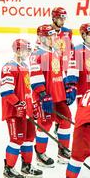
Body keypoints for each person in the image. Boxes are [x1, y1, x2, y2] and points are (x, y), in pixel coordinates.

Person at [0, 39, 43, 178]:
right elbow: (6, 92)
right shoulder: (9, 67)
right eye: (25, 50)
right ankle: (9, 169)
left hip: (26, 110)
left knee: (29, 138)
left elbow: (27, 90)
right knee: (16, 140)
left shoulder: (24, 66)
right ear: (18, 50)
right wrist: (18, 104)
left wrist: (33, 105)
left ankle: (26, 166)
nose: (27, 53)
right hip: (14, 111)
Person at [30, 24, 73, 167]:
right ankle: (40, 154)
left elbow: (61, 72)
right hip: (45, 97)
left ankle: (63, 150)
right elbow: (35, 77)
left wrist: (67, 86)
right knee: (45, 124)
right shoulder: (36, 55)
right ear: (41, 38)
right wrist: (42, 94)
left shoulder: (55, 51)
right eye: (48, 36)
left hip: (59, 95)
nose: (51, 38)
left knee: (66, 119)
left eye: (52, 36)